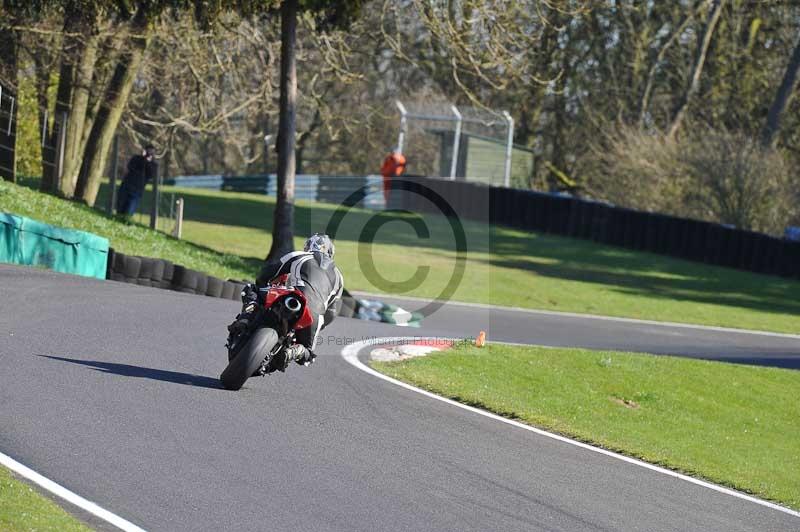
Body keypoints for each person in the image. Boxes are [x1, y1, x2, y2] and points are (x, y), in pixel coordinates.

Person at [229, 233, 344, 366]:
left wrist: (262, 285)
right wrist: (319, 324)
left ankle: (246, 317)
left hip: (292, 296)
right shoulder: (339, 278)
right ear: (330, 252)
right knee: (308, 355)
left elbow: (268, 272)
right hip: (315, 316)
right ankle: (297, 351)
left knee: (251, 289)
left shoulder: (300, 255)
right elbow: (331, 313)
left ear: (309, 246)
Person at [116, 144, 157, 218]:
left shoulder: (153, 165)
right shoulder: (136, 158)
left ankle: (126, 219)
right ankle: (118, 217)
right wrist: (143, 158)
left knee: (129, 210)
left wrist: (147, 161)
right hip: (127, 184)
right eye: (148, 152)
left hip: (137, 189)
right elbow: (130, 166)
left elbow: (150, 174)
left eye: (152, 153)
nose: (149, 154)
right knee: (121, 205)